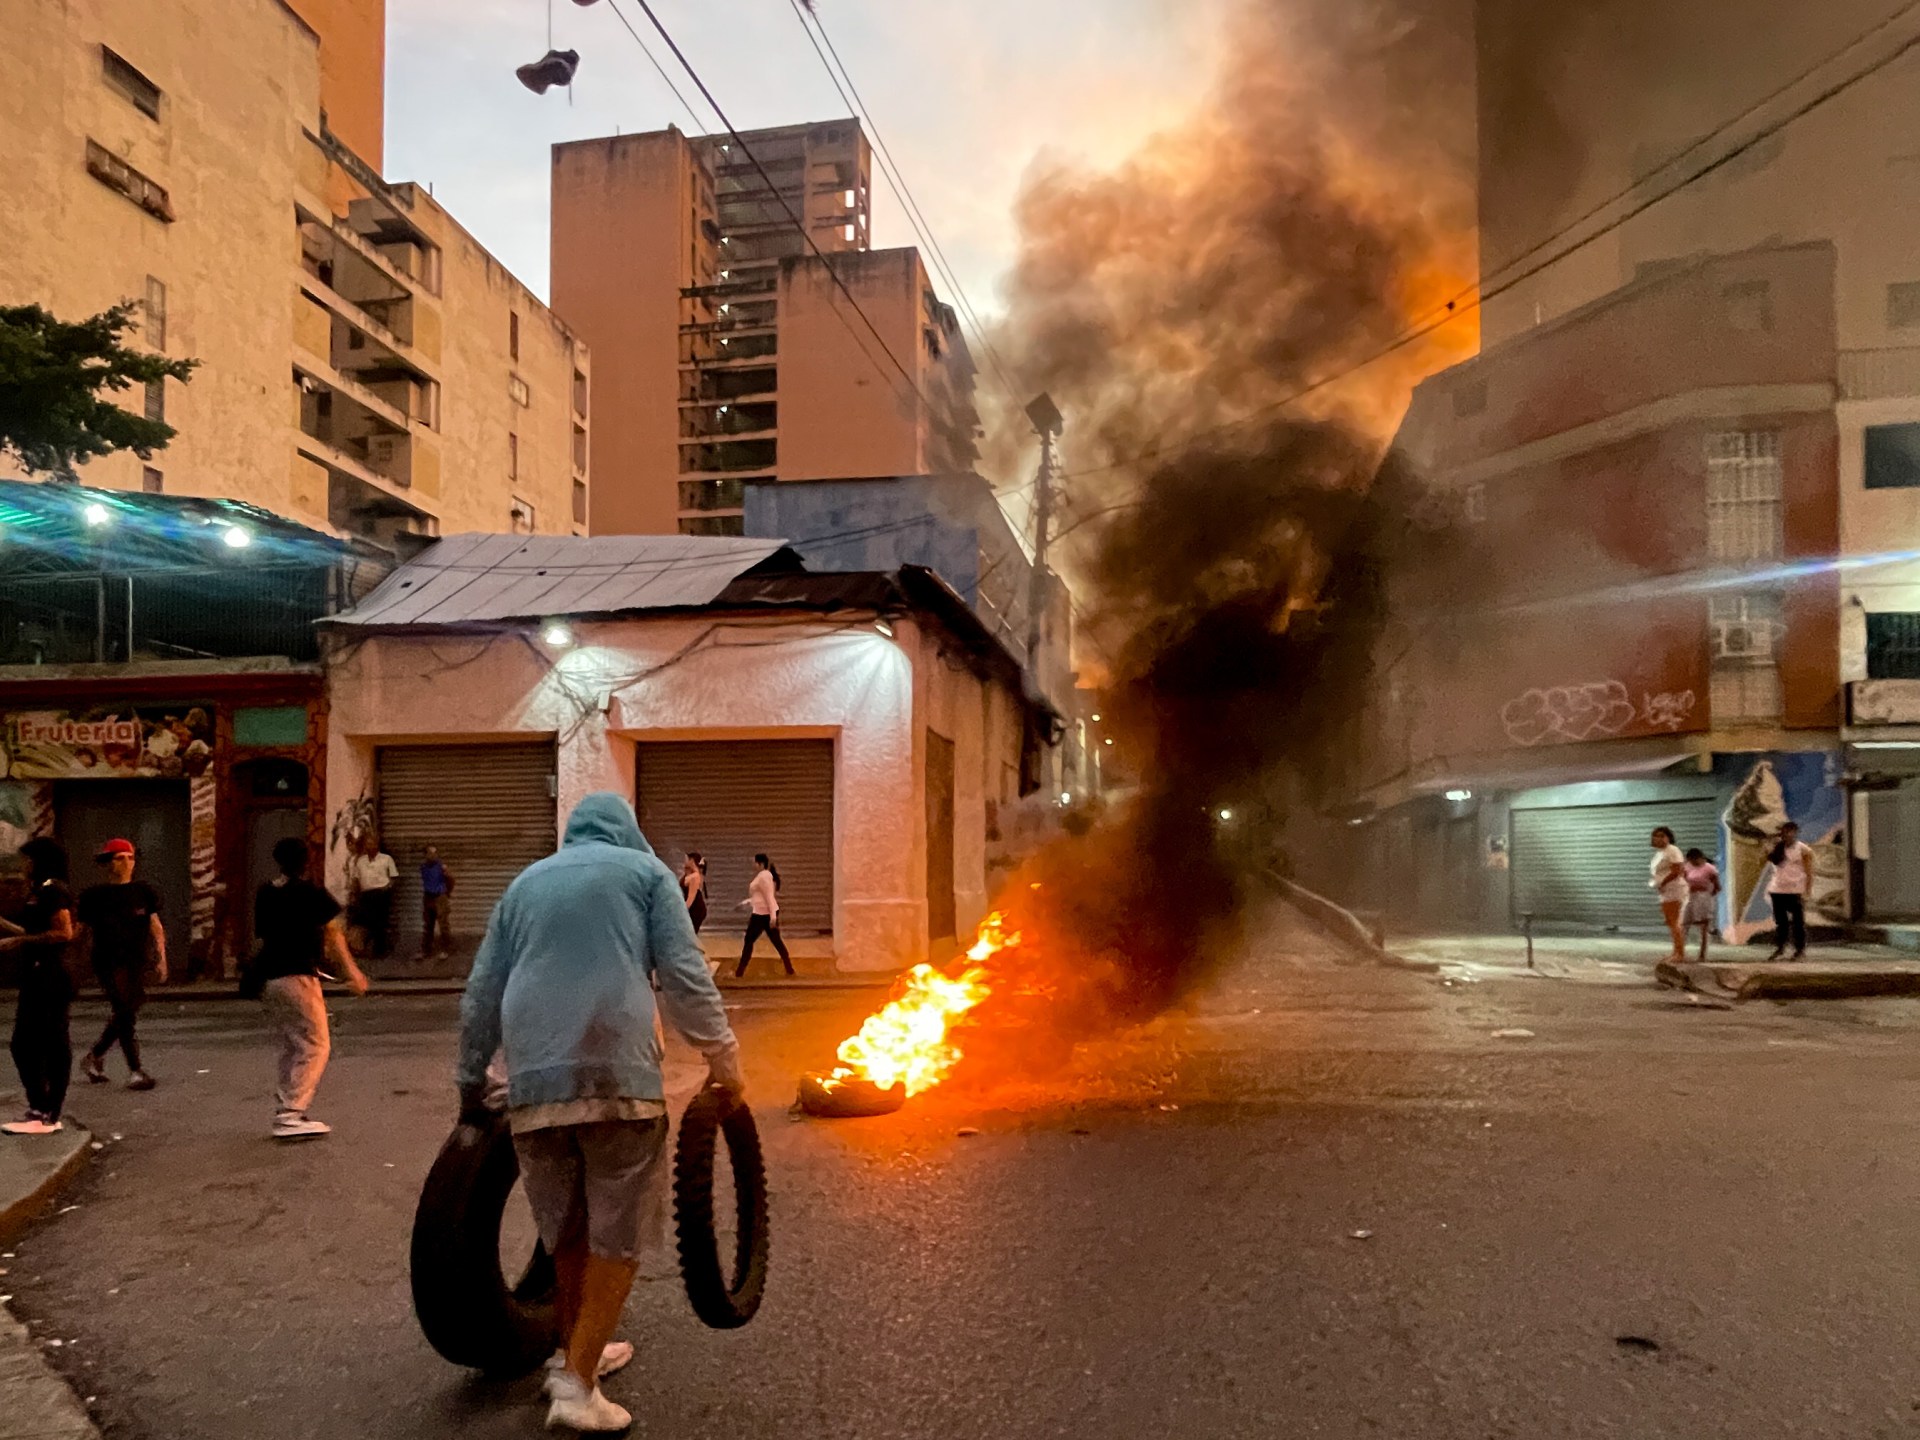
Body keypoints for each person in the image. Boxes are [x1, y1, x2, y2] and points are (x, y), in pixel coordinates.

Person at [456, 793, 743, 1433]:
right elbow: (684, 973)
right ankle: (577, 1388)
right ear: (627, 834)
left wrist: (470, 1082)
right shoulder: (646, 877)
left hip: (533, 1082)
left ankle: (576, 1349)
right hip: (621, 1077)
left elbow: (481, 993)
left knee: (567, 1230)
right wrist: (723, 1057)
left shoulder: (524, 884)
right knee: (616, 1236)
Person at [252, 838, 370, 1140]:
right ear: (305, 861)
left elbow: (261, 936)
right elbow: (333, 934)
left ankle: (287, 1108)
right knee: (316, 1044)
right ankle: (291, 1114)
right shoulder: (310, 892)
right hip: (298, 976)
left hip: (269, 978)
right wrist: (352, 972)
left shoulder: (265, 892)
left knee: (293, 1044)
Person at [0, 839, 76, 1135]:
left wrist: (20, 941)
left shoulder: (53, 889)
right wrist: (8, 927)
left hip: (52, 975)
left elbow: (63, 932)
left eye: (28, 860)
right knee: (25, 1044)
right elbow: (35, 930)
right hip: (38, 974)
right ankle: (39, 1107)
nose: (24, 865)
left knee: (49, 1043)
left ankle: (48, 1113)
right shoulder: (42, 890)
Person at [78, 838, 165, 1091]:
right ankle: (135, 1070)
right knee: (124, 1012)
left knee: (127, 1010)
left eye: (130, 857)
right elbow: (81, 932)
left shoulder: (143, 892)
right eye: (119, 858)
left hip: (136, 960)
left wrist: (161, 958)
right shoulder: (94, 896)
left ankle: (94, 1056)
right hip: (107, 960)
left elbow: (155, 927)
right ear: (108, 863)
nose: (126, 863)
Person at [734, 852, 793, 978]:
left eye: (755, 862)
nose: (753, 865)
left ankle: (740, 971)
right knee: (775, 941)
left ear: (760, 863)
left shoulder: (764, 876)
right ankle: (789, 968)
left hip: (762, 915)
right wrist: (745, 903)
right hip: (762, 912)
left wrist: (773, 917)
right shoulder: (763, 876)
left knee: (749, 940)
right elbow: (758, 897)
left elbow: (769, 897)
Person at [1766, 821, 1816, 961]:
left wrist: (1808, 891)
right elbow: (1767, 860)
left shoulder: (1803, 850)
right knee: (1781, 922)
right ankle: (1780, 947)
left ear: (1795, 832)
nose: (1786, 835)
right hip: (1777, 889)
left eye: (1789, 831)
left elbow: (1809, 872)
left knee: (1798, 922)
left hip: (1795, 890)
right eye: (1784, 832)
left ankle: (1800, 950)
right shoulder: (1777, 848)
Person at [348, 833, 398, 961]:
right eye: (368, 844)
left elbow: (394, 877)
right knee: (366, 922)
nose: (369, 846)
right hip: (366, 895)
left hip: (381, 894)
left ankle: (380, 951)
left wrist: (387, 889)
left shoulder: (386, 859)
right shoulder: (361, 861)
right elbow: (356, 878)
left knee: (380, 923)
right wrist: (354, 894)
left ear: (377, 845)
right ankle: (364, 949)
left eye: (372, 844)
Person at [1648, 826, 1688, 962]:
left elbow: (1677, 870)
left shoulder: (1672, 850)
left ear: (1669, 837)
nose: (1659, 838)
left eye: (1662, 836)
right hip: (1664, 890)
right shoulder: (1660, 852)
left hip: (1673, 889)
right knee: (1670, 922)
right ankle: (1675, 951)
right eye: (1656, 836)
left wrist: (1663, 882)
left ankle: (1680, 953)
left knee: (1674, 921)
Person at [1680, 847, 1721, 965]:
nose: (1691, 863)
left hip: (1703, 899)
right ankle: (1680, 952)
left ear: (1698, 858)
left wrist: (1706, 895)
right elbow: (1682, 880)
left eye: (1693, 861)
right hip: (1689, 898)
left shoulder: (1709, 869)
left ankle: (1702, 955)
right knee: (1684, 925)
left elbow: (1717, 886)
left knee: (1703, 928)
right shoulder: (1687, 866)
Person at [419, 844, 455, 959]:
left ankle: (446, 949)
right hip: (428, 897)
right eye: (430, 853)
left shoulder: (442, 867)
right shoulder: (423, 867)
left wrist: (446, 893)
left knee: (443, 924)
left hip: (439, 897)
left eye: (435, 853)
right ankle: (426, 950)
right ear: (425, 855)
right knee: (428, 925)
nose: (433, 855)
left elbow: (450, 880)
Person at [679, 851, 708, 934]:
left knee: (690, 934)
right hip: (693, 908)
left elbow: (691, 897)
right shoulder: (690, 875)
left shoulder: (695, 877)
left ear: (691, 861)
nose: (684, 862)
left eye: (686, 859)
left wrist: (683, 910)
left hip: (696, 909)